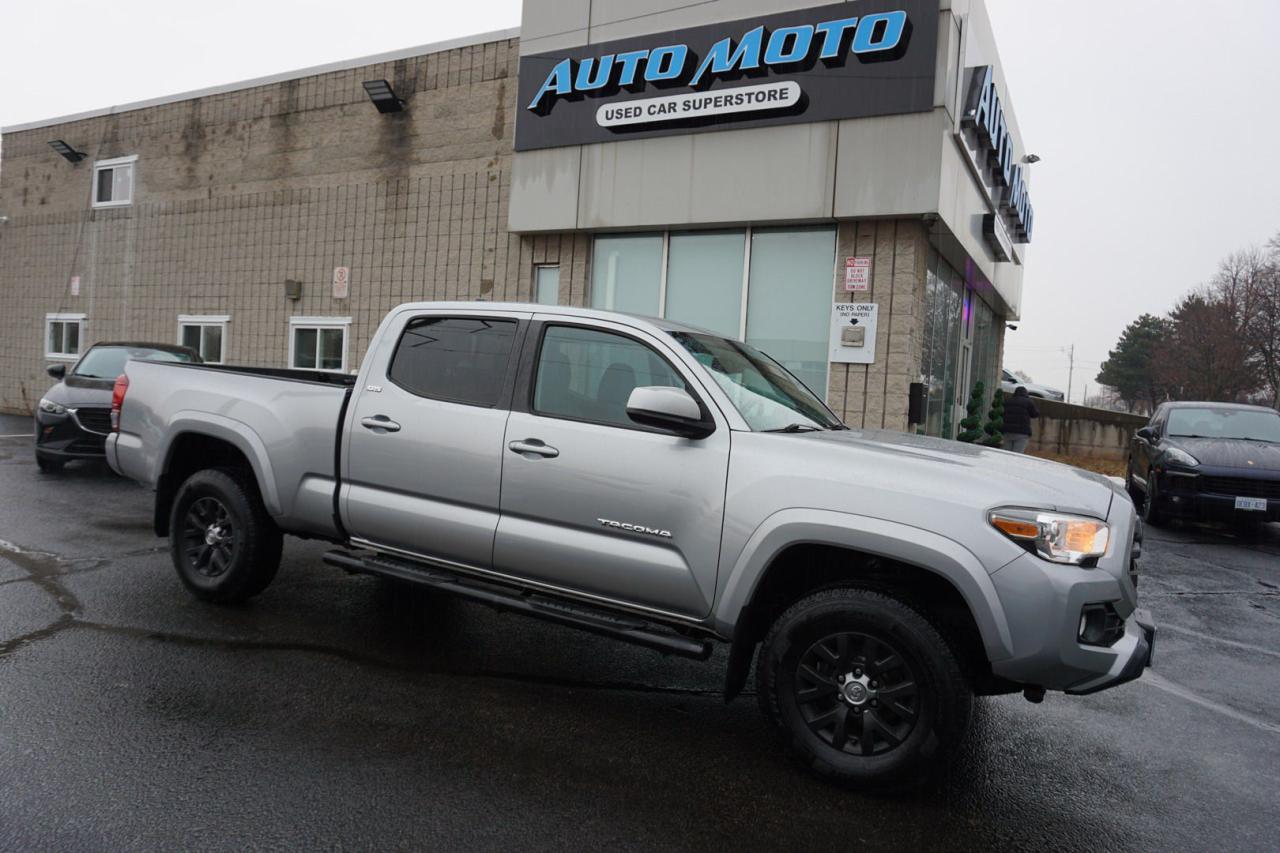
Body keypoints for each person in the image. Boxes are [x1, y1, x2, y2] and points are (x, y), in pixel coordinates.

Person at [1002, 386, 1039, 453]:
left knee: (1006, 454)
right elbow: (1035, 414)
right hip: (1022, 432)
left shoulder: (1008, 401)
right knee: (1017, 455)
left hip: (1007, 431)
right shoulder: (1028, 402)